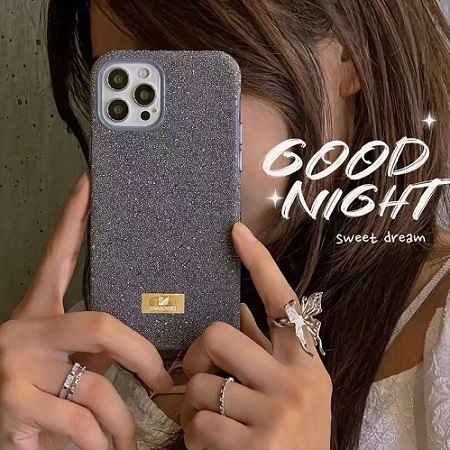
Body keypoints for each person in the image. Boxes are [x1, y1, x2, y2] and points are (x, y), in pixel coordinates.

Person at [1, 0, 450, 449]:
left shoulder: (438, 343)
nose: (153, 154)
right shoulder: (77, 352)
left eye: (187, 75)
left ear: (353, 49)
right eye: (118, 84)